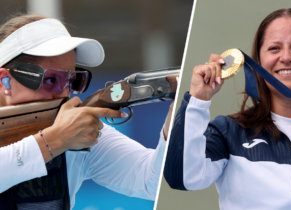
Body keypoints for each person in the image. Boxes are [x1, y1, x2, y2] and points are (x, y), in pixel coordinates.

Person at [164, 8, 291, 210]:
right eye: (274, 48)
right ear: (258, 63)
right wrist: (198, 100)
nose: (286, 57)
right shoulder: (229, 132)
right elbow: (181, 178)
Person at [0, 14, 173, 209]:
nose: (64, 94)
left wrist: (178, 115)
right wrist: (54, 140)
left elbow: (153, 181)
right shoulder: (63, 135)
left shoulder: (73, 134)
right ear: (5, 80)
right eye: (51, 80)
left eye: (73, 80)